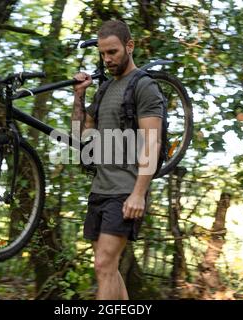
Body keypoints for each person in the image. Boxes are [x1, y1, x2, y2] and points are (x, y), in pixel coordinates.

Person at [72, 20, 164, 300]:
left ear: (129, 46)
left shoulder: (144, 87)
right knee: (106, 268)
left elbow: (153, 142)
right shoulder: (104, 90)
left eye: (112, 52)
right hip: (99, 189)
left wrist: (139, 193)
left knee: (103, 264)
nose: (107, 59)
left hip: (125, 190)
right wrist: (79, 96)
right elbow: (79, 135)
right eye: (102, 54)